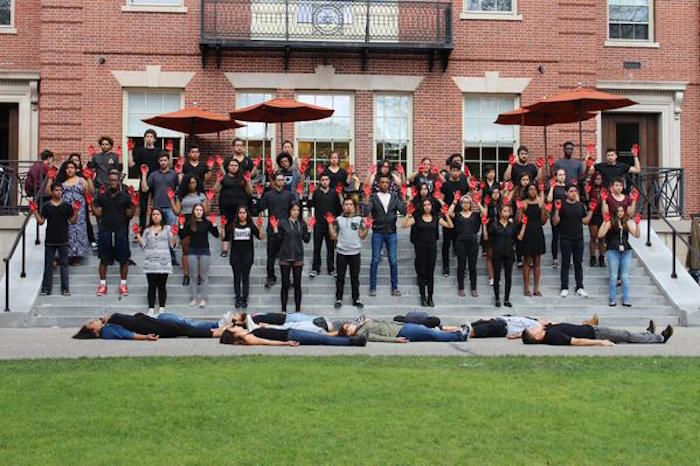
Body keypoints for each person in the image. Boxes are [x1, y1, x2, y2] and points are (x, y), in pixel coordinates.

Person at [90, 170, 134, 296]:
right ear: (108, 182)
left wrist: (134, 205)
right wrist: (91, 203)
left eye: (115, 180)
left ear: (119, 181)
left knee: (124, 260)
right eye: (111, 180)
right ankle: (103, 285)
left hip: (121, 230)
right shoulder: (102, 196)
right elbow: (98, 214)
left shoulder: (125, 197)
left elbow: (129, 215)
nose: (113, 182)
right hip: (106, 230)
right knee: (104, 259)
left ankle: (123, 285)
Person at [403, 198, 453, 306]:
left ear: (431, 206)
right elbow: (404, 225)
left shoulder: (435, 218)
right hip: (420, 247)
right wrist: (408, 214)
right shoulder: (417, 218)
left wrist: (446, 214)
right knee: (421, 272)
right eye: (425, 205)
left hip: (432, 248)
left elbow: (450, 225)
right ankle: (422, 297)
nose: (427, 207)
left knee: (430, 273)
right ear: (422, 206)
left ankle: (430, 297)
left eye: (428, 204)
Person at [32, 182, 79, 296]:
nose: (58, 192)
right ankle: (46, 289)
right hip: (50, 240)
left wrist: (77, 210)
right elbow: (41, 222)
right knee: (48, 265)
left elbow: (73, 221)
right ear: (52, 192)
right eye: (56, 190)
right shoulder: (47, 206)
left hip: (63, 239)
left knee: (64, 265)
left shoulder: (67, 206)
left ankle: (65, 288)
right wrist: (34, 211)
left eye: (60, 190)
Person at [365, 174, 407, 297]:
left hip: (391, 232)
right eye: (382, 182)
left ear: (389, 184)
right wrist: (366, 198)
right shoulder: (373, 197)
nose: (384, 184)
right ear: (378, 184)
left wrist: (403, 196)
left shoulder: (394, 197)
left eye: (386, 182)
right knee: (375, 259)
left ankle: (395, 287)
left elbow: (403, 211)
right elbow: (366, 212)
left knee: (393, 261)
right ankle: (372, 287)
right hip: (377, 232)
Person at [552, 185, 594, 298]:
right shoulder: (562, 206)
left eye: (575, 191)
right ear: (566, 193)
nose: (573, 193)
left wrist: (591, 211)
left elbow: (584, 221)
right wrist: (556, 209)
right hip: (565, 238)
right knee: (565, 263)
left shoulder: (580, 206)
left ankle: (579, 287)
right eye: (571, 191)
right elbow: (555, 222)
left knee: (578, 263)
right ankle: (564, 287)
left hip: (578, 238)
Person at [135, 208, 177, 315]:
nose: (155, 216)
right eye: (153, 214)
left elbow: (173, 244)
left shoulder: (167, 229)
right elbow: (143, 245)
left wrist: (175, 234)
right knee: (151, 286)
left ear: (162, 216)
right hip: (150, 262)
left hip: (164, 262)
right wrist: (137, 234)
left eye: (158, 214)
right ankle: (151, 308)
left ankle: (162, 307)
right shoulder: (147, 230)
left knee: (162, 285)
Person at [257, 171, 295, 288]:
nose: (280, 181)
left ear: (284, 182)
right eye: (278, 180)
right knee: (271, 255)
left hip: (286, 229)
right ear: (274, 181)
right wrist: (259, 196)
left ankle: (287, 280)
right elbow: (259, 208)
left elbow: (294, 210)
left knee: (287, 256)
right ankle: (270, 277)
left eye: (282, 180)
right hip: (272, 229)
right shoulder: (268, 195)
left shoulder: (289, 195)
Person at [329, 197, 369, 309]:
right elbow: (333, 236)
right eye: (346, 204)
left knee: (354, 277)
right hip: (341, 252)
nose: (348, 206)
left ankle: (356, 298)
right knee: (340, 277)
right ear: (343, 206)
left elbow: (363, 236)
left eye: (350, 204)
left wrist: (368, 227)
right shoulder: (338, 219)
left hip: (355, 252)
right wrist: (329, 224)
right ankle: (339, 298)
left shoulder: (359, 219)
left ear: (354, 206)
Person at [271, 202, 311, 313]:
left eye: (298, 210)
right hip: (285, 256)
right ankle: (283, 310)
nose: (296, 212)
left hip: (298, 256)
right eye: (294, 210)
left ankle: (298, 310)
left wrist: (310, 228)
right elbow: (278, 240)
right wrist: (275, 229)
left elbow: (306, 239)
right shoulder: (283, 223)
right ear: (290, 211)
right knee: (285, 284)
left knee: (297, 284)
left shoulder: (301, 224)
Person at [598, 205, 641, 306]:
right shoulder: (610, 222)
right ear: (615, 212)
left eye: (622, 211)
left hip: (626, 250)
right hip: (613, 250)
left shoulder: (627, 222)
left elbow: (637, 235)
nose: (621, 213)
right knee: (613, 276)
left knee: (624, 276)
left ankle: (626, 299)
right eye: (618, 211)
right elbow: (600, 234)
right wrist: (604, 222)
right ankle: (612, 298)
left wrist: (637, 224)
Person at [141, 151, 179, 265]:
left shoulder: (174, 174)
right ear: (159, 161)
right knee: (158, 234)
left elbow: (179, 189)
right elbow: (144, 189)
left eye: (165, 160)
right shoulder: (153, 175)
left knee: (172, 234)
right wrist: (144, 174)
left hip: (170, 208)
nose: (163, 162)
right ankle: (157, 257)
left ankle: (172, 258)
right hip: (158, 209)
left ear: (168, 161)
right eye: (161, 160)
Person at [171, 174, 210, 286]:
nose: (192, 185)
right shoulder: (181, 195)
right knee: (186, 250)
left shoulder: (201, 195)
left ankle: (197, 274)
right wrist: (171, 200)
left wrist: (210, 200)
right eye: (190, 182)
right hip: (185, 221)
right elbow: (177, 211)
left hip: (198, 221)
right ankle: (186, 274)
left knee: (198, 249)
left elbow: (206, 211)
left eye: (194, 182)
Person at [72, 313, 223, 340]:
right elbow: (126, 335)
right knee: (184, 328)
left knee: (183, 325)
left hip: (148, 322)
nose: (94, 321)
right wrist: (145, 337)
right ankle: (218, 332)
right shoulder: (107, 331)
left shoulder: (107, 326)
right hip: (148, 327)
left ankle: (218, 328)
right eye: (92, 323)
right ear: (93, 330)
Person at [54, 160, 93, 264]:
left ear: (76, 169)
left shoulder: (81, 180)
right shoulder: (62, 182)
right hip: (66, 208)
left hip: (79, 208)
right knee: (68, 230)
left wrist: (89, 178)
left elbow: (90, 191)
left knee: (78, 229)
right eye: (67, 168)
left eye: (72, 167)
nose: (70, 169)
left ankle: (77, 255)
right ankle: (67, 255)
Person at [181, 204, 219, 308]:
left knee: (204, 276)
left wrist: (215, 224)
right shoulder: (189, 223)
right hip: (192, 250)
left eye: (200, 210)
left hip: (204, 251)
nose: (198, 212)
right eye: (197, 210)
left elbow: (216, 235)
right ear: (193, 211)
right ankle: (193, 298)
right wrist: (181, 225)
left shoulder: (207, 223)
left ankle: (203, 299)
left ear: (203, 212)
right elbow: (183, 235)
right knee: (193, 276)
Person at [522, 320, 673, 346]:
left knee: (625, 335)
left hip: (591, 329)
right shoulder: (552, 337)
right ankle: (660, 338)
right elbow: (576, 342)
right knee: (625, 335)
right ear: (536, 336)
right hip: (595, 334)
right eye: (533, 329)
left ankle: (647, 335)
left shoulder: (547, 330)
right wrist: (601, 342)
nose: (535, 327)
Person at [450, 194, 486, 297]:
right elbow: (448, 213)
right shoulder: (457, 215)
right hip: (460, 242)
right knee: (461, 266)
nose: (465, 204)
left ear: (470, 204)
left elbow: (484, 213)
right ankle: (461, 288)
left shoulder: (475, 215)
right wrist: (455, 201)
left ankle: (474, 288)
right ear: (461, 204)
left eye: (467, 203)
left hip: (473, 242)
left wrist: (477, 202)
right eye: (464, 203)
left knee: (472, 267)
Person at [229, 206, 265, 309]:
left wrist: (261, 226)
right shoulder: (233, 225)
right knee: (237, 278)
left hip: (247, 255)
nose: (242, 215)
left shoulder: (250, 225)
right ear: (237, 214)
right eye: (240, 213)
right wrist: (222, 227)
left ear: (247, 214)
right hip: (235, 255)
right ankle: (237, 298)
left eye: (244, 213)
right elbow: (224, 237)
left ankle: (244, 298)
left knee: (245, 278)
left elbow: (261, 236)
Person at [484, 203, 518, 307]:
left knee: (508, 277)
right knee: (497, 277)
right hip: (497, 253)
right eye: (504, 211)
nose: (506, 213)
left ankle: (506, 299)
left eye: (508, 211)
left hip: (509, 253)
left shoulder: (512, 225)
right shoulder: (494, 225)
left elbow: (517, 239)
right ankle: (497, 298)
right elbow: (487, 238)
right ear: (500, 212)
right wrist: (484, 225)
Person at [217, 158, 253, 257]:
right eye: (231, 165)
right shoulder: (224, 178)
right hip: (226, 206)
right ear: (228, 167)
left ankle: (243, 248)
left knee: (241, 225)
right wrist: (218, 180)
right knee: (226, 225)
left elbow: (250, 192)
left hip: (240, 206)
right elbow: (215, 190)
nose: (233, 167)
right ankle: (225, 249)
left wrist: (248, 181)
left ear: (238, 167)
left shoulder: (243, 178)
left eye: (235, 165)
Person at [308, 172, 342, 278]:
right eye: (322, 180)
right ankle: (315, 268)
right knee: (317, 247)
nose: (325, 181)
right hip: (318, 224)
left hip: (331, 225)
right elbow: (309, 205)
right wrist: (310, 193)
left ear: (329, 181)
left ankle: (331, 268)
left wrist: (335, 223)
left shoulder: (334, 193)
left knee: (330, 248)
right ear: (320, 181)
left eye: (326, 179)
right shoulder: (316, 192)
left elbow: (339, 209)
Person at [219, 324, 367, 347]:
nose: (237, 325)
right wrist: (286, 343)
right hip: (290, 336)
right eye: (234, 327)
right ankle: (353, 341)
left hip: (289, 332)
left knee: (323, 337)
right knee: (323, 339)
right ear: (233, 333)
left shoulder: (247, 333)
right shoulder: (247, 338)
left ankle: (350, 338)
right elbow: (265, 342)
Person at [128, 129, 160, 230]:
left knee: (156, 206)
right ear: (144, 138)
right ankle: (142, 228)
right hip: (144, 180)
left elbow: (167, 164)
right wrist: (129, 150)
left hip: (156, 180)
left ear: (154, 139)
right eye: (147, 136)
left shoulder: (159, 151)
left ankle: (154, 226)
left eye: (151, 136)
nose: (149, 138)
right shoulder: (140, 151)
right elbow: (131, 164)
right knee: (143, 207)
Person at [441, 162, 469, 276]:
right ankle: (445, 267)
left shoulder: (463, 184)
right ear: (450, 171)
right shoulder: (446, 185)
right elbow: (441, 199)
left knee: (460, 243)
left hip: (460, 217)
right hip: (448, 217)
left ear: (460, 171)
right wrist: (446, 211)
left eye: (457, 170)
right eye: (453, 170)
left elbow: (468, 198)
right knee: (446, 243)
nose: (455, 172)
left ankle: (462, 268)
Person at [518, 184, 547, 296]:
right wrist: (520, 209)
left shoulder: (540, 202)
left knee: (537, 262)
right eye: (530, 189)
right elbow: (518, 220)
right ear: (527, 191)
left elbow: (544, 221)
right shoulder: (524, 203)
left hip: (538, 232)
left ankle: (536, 288)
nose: (533, 191)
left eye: (534, 189)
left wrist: (544, 208)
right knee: (527, 261)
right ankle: (526, 288)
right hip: (527, 233)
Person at [338, 319, 470, 343]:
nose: (350, 327)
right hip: (400, 332)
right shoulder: (361, 333)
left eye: (348, 325)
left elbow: (384, 322)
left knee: (430, 332)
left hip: (401, 326)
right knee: (431, 334)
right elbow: (377, 338)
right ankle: (460, 336)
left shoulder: (363, 325)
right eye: (347, 329)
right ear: (349, 334)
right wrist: (395, 340)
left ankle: (458, 333)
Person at [546, 168, 568, 267]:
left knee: (566, 237)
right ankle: (555, 259)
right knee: (555, 237)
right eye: (559, 175)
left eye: (563, 174)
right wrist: (551, 187)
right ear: (556, 176)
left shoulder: (568, 187)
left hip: (567, 215)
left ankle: (566, 257)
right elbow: (549, 199)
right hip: (555, 213)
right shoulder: (553, 187)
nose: (561, 177)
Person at [585, 171, 606, 267]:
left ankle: (602, 258)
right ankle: (592, 257)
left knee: (602, 238)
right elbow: (587, 201)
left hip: (602, 215)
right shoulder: (590, 188)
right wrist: (586, 192)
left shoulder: (604, 189)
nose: (598, 181)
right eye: (596, 179)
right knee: (593, 237)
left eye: (600, 179)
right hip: (593, 214)